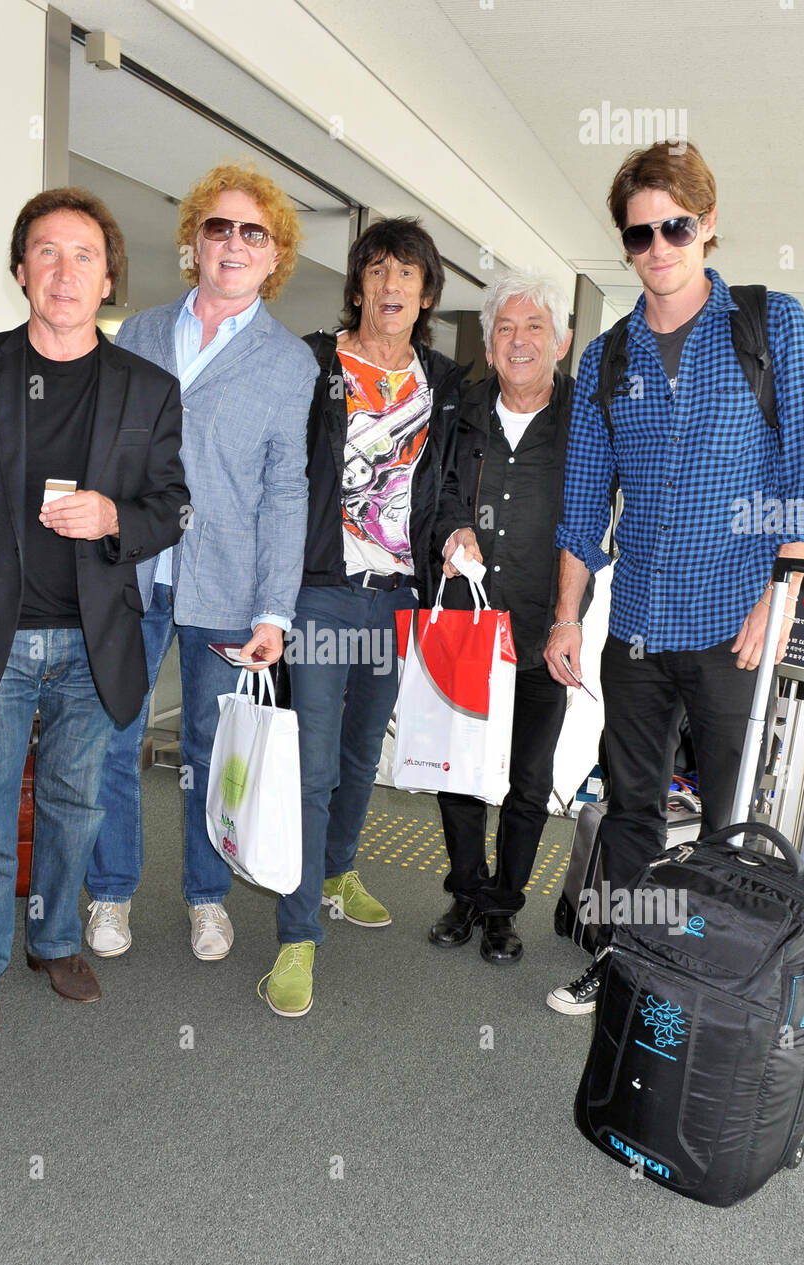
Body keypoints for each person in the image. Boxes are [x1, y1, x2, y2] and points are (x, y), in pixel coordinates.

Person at [0, 187, 190, 1036]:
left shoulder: (148, 388)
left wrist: (115, 519)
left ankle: (56, 939)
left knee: (76, 804)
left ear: (108, 281)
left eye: (85, 256)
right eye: (48, 253)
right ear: (22, 270)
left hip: (97, 640)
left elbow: (171, 506)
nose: (66, 272)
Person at [543, 140, 804, 1016]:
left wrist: (780, 597)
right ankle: (623, 962)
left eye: (676, 226)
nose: (658, 246)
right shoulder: (606, 359)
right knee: (630, 808)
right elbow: (584, 503)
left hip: (736, 626)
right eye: (639, 234)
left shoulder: (772, 325)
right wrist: (563, 618)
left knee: (735, 822)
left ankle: (721, 985)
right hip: (639, 631)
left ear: (708, 227)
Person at [83, 164, 317, 964]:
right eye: (220, 226)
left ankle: (207, 897)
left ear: (274, 254)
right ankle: (110, 891)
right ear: (194, 240)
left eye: (254, 232)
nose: (234, 243)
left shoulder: (290, 365)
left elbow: (287, 493)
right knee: (114, 735)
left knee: (211, 755)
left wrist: (274, 612)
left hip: (226, 587)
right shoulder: (140, 334)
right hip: (131, 573)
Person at [260, 217, 464, 1017]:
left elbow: (444, 485)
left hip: (396, 600)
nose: (391, 287)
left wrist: (457, 530)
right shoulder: (314, 362)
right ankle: (297, 934)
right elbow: (279, 472)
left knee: (357, 753)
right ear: (358, 286)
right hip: (320, 591)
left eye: (406, 275)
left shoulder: (442, 381)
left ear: (425, 294)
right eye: (378, 271)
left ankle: (339, 867)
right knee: (311, 765)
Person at [430, 268, 587, 963]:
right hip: (466, 623)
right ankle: (465, 891)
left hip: (543, 630)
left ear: (561, 341)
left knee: (528, 779)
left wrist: (570, 617)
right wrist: (452, 527)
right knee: (459, 771)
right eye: (505, 328)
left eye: (534, 327)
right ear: (489, 345)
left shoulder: (588, 419)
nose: (519, 340)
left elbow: (591, 524)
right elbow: (431, 494)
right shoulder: (459, 410)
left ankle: (502, 907)